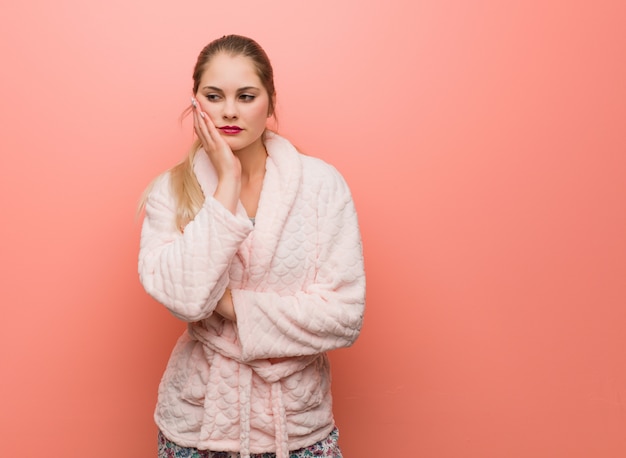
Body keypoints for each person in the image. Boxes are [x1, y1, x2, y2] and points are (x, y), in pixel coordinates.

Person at [138, 34, 365, 458]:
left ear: (270, 101)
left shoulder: (321, 185)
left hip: (296, 426)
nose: (228, 111)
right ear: (195, 102)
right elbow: (186, 300)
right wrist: (227, 181)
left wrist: (228, 305)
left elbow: (343, 316)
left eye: (246, 96)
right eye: (213, 95)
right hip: (198, 425)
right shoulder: (170, 190)